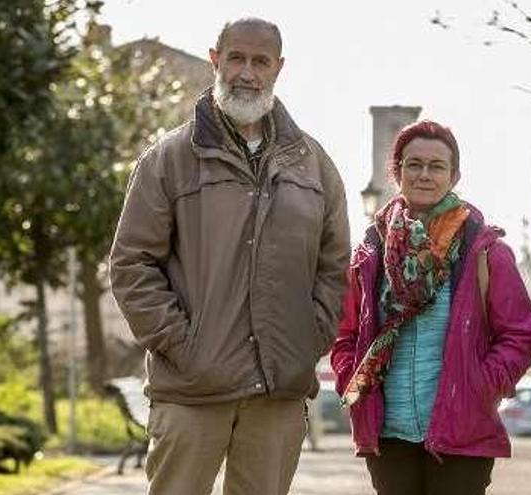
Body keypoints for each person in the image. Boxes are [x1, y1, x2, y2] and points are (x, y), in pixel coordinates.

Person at [109, 18, 350, 495]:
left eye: (260, 61)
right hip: (191, 392)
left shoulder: (314, 164)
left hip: (277, 395)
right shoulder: (169, 159)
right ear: (215, 59)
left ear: (278, 68)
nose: (247, 72)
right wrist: (185, 347)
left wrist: (307, 340)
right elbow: (132, 264)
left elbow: (337, 267)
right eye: (236, 57)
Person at [330, 120, 531, 495]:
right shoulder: (371, 252)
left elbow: (519, 334)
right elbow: (346, 333)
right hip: (388, 432)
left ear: (454, 176)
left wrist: (481, 386)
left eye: (437, 166)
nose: (424, 174)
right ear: (398, 172)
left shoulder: (485, 250)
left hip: (462, 431)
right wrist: (352, 382)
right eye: (414, 164)